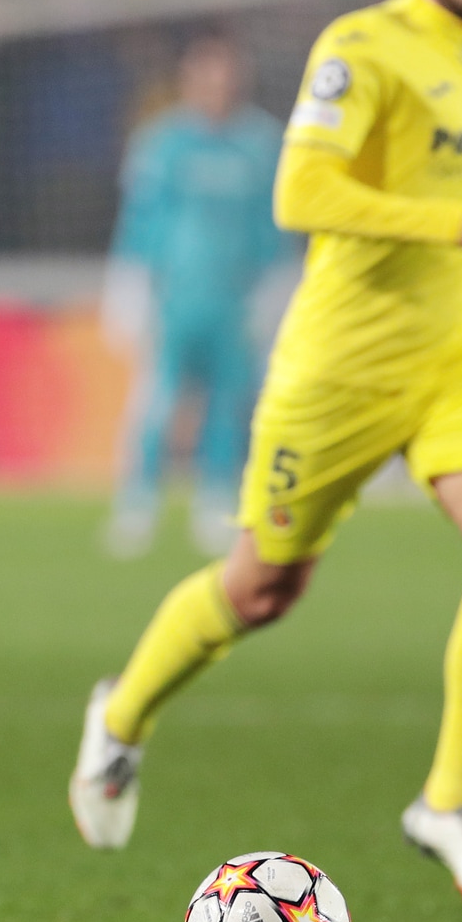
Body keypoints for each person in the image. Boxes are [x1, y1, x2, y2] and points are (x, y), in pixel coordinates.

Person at [69, 0, 462, 913]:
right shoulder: (360, 47)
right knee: (261, 590)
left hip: (455, 358)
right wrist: (460, 225)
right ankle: (121, 715)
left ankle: (453, 801)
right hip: (339, 366)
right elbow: (301, 190)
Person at [102, 34, 287, 558]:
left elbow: (273, 226)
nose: (216, 88)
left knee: (229, 405)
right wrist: (129, 286)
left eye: (225, 78)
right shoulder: (161, 143)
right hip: (172, 301)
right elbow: (140, 219)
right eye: (206, 77)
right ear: (188, 81)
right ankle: (138, 502)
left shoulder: (261, 144)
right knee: (156, 404)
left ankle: (215, 501)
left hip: (235, 303)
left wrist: (274, 291)